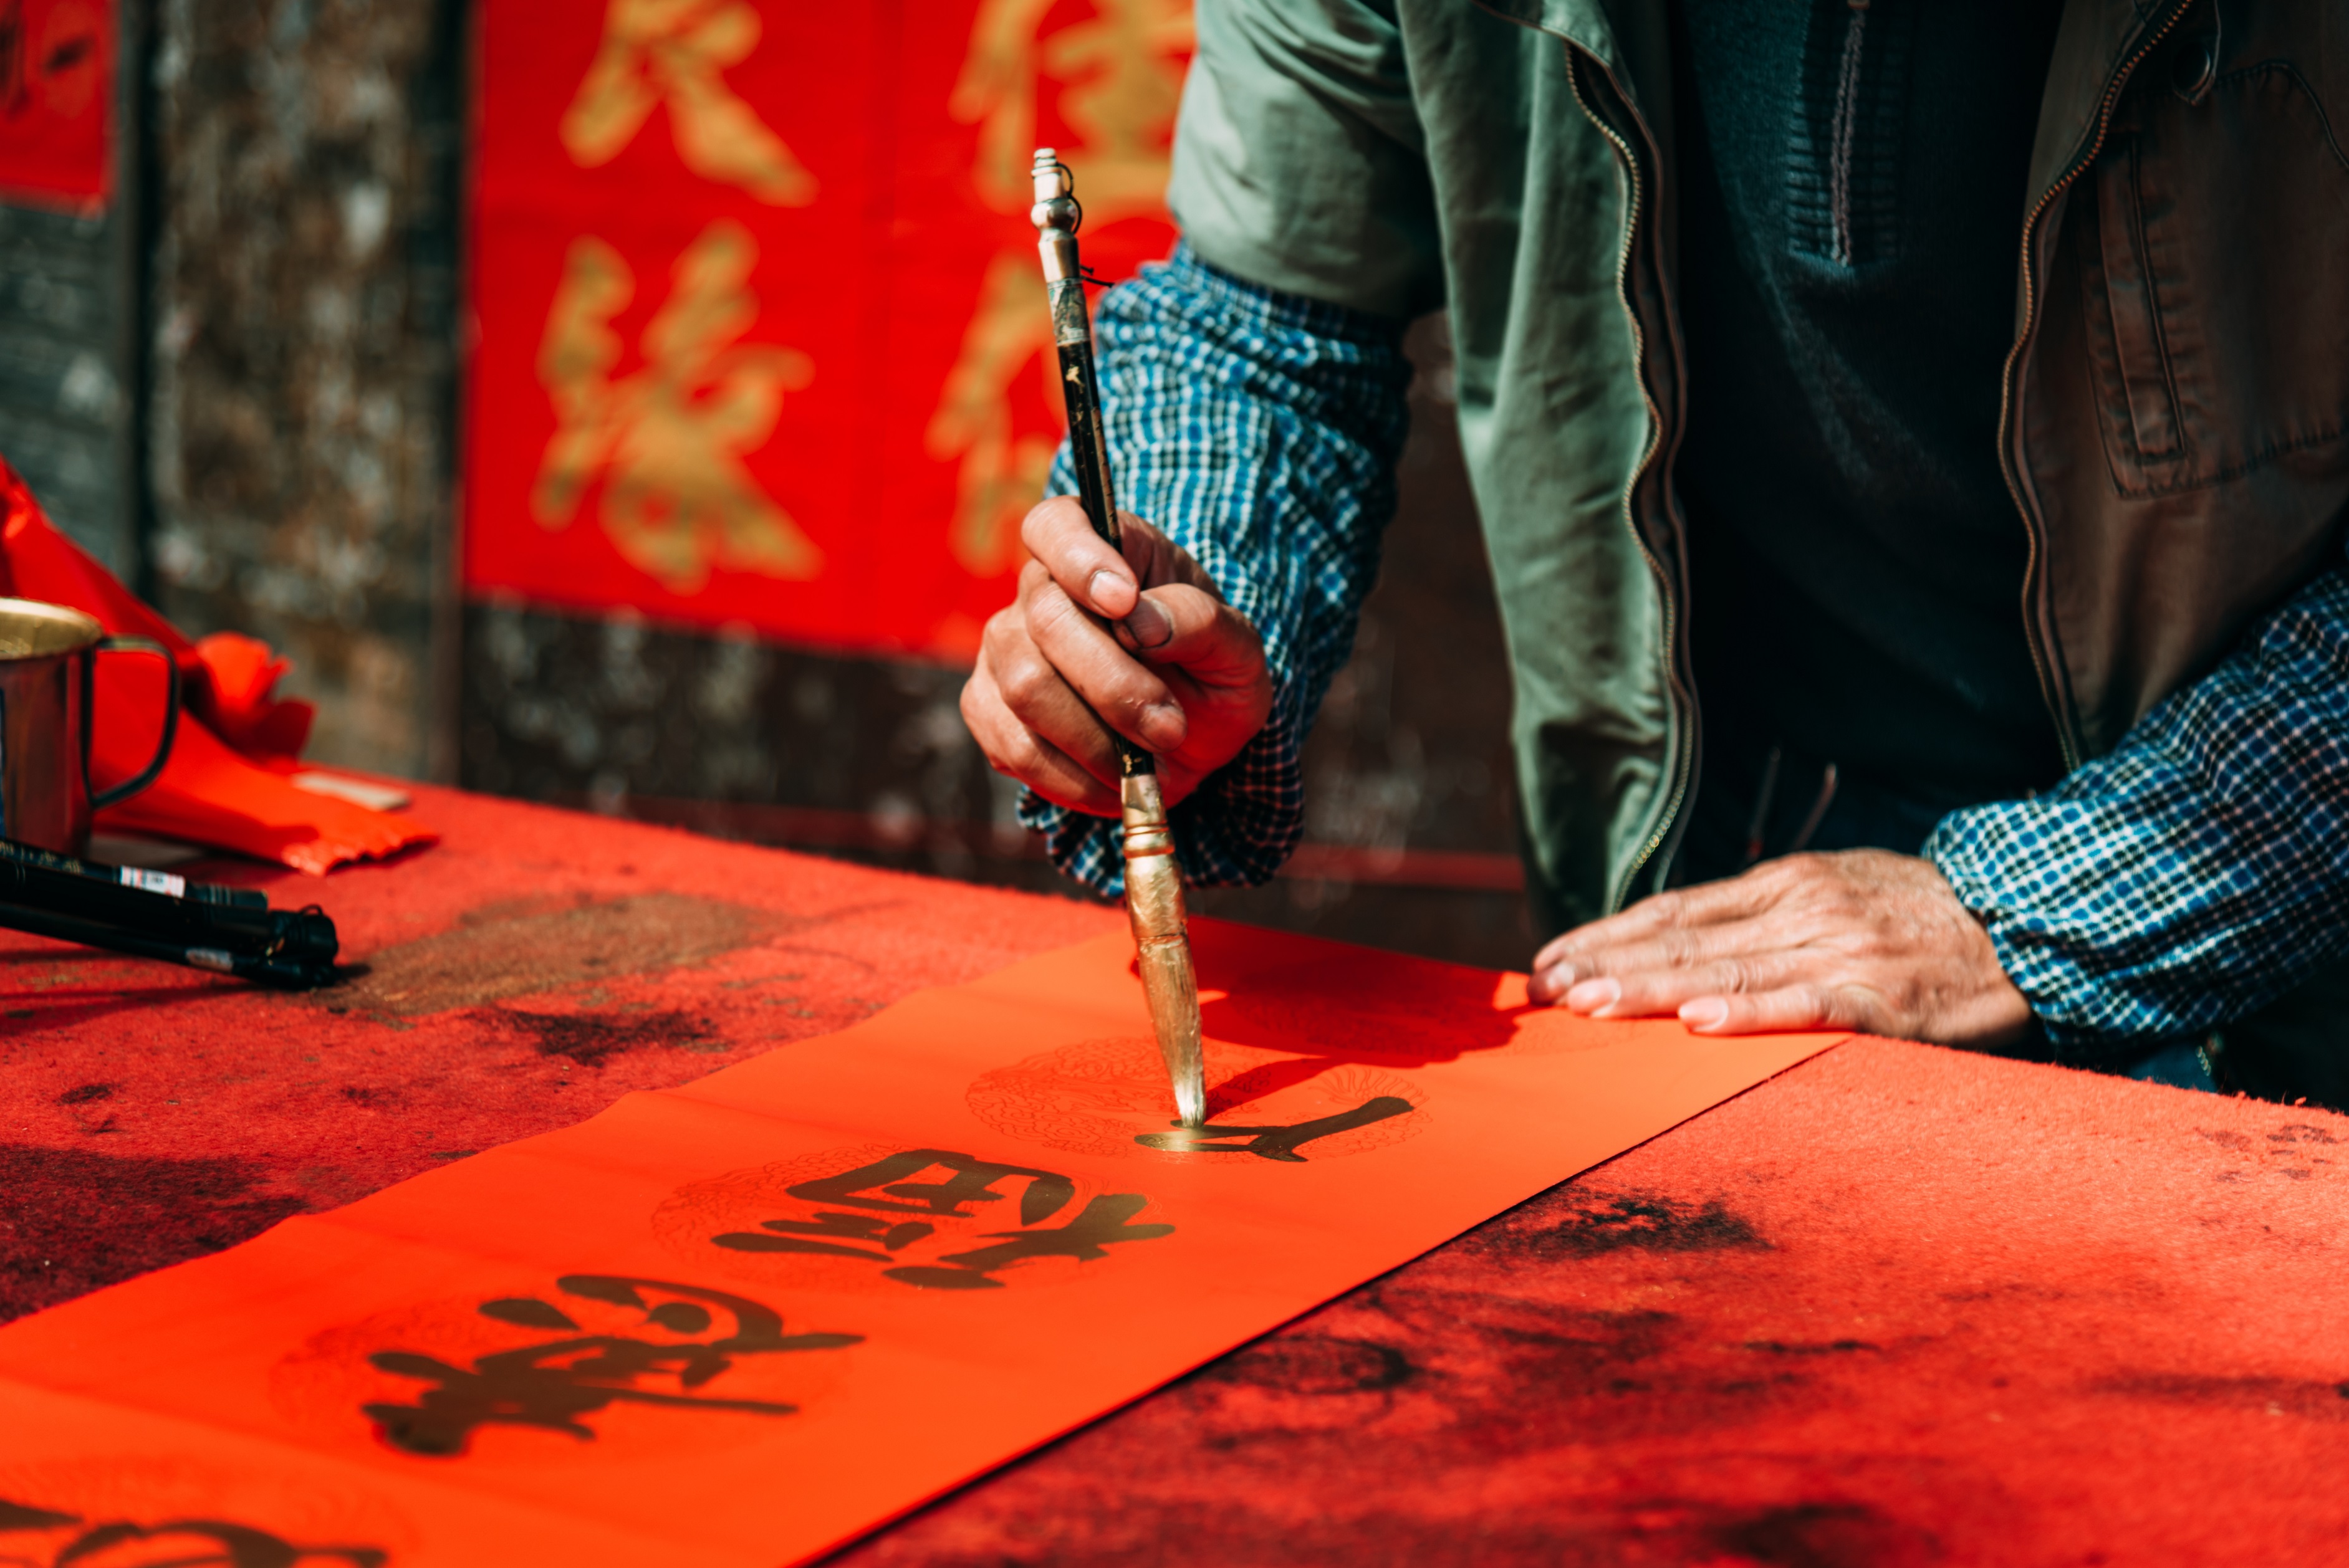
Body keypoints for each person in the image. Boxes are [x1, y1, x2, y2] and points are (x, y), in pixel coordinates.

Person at [960, 0, 2349, 1103]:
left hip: (2277, 989)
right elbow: (1268, 316)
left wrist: (2062, 896)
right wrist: (1178, 624)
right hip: (1704, 926)